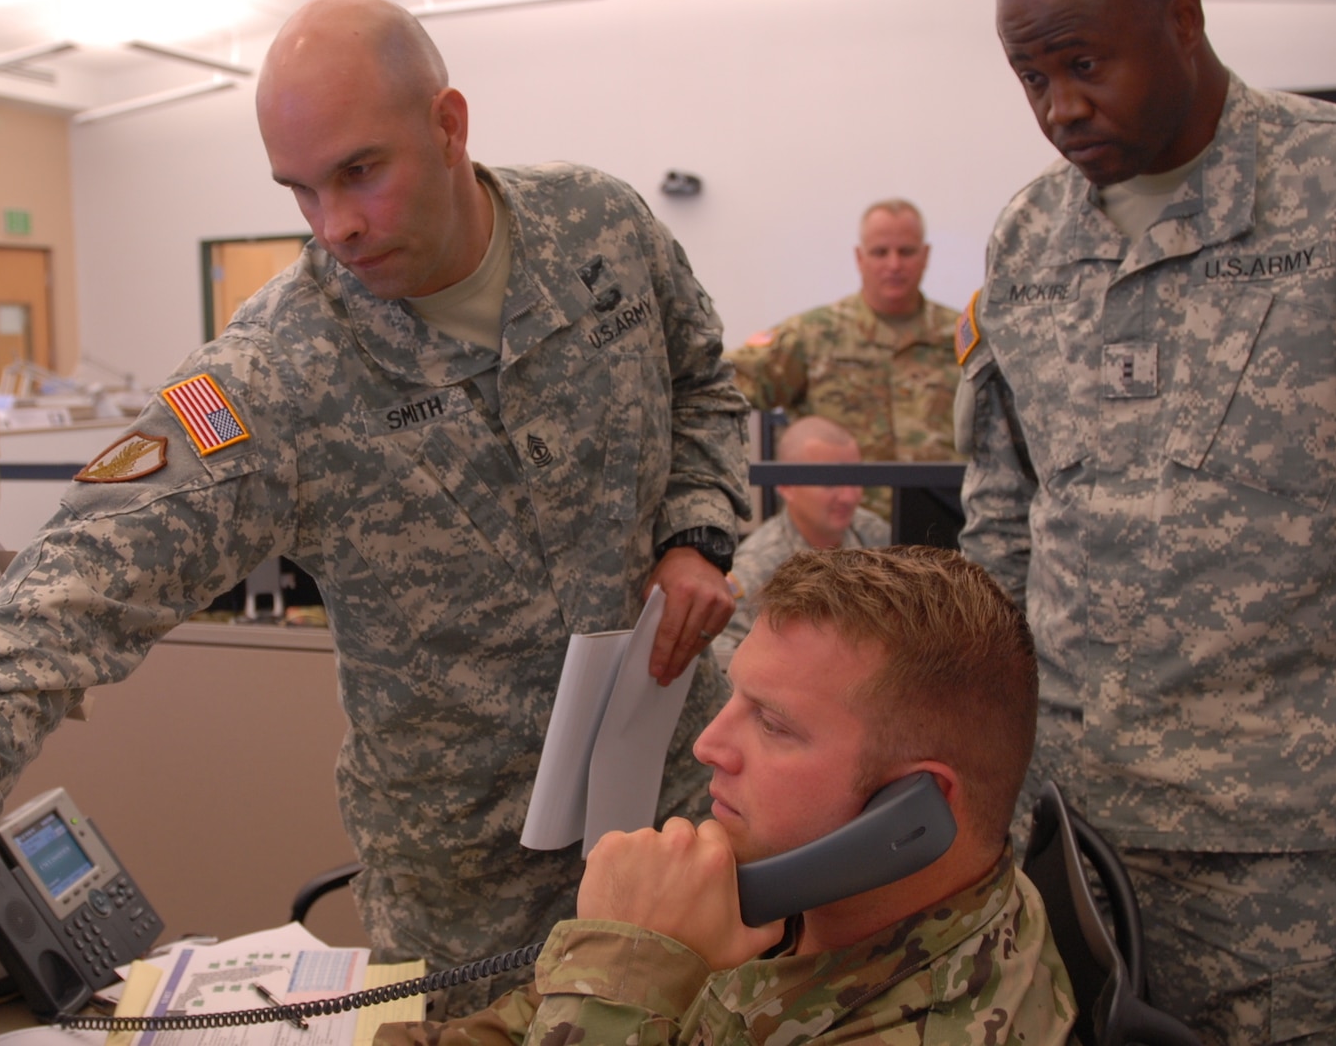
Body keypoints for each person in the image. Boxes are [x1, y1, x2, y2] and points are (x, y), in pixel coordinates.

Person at [0, 0, 750, 1016]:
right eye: (301, 190)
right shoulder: (281, 371)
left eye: (362, 170)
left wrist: (695, 536)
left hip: (680, 801)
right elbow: (76, 577)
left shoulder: (600, 229)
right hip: (474, 887)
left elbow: (704, 385)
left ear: (448, 124)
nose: (337, 226)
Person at [963, 0, 1336, 1040]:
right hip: (1072, 835)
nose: (1057, 107)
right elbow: (1001, 519)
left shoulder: (1317, 189)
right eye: (1028, 76)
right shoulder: (1029, 241)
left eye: (1083, 65)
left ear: (1182, 20)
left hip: (1283, 849)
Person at [374, 547, 1077, 1046]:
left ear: (910, 812)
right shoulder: (796, 903)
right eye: (734, 697)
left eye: (771, 723)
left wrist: (626, 971)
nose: (707, 744)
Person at [727, 199, 961, 518]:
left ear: (926, 256)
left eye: (906, 251)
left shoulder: (962, 337)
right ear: (860, 258)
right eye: (880, 252)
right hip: (843, 534)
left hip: (943, 526)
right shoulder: (815, 335)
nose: (894, 264)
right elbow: (721, 385)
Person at [718, 417, 887, 657]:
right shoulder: (758, 566)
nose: (849, 497)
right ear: (786, 486)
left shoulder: (874, 535)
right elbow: (724, 653)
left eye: (854, 480)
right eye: (831, 483)